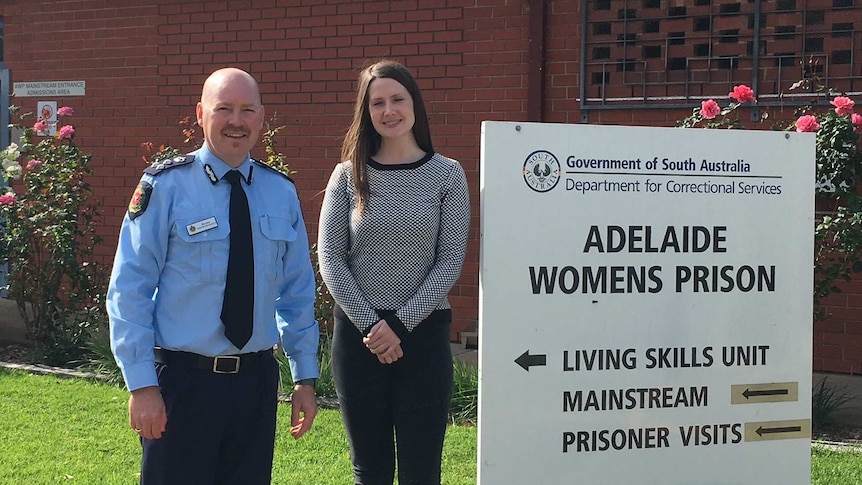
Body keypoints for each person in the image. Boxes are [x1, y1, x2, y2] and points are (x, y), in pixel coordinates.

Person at [106, 67, 319, 485]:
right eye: (224, 109)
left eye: (246, 110)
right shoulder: (165, 186)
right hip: (182, 386)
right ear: (201, 113)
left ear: (261, 118)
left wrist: (305, 377)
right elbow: (129, 287)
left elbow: (296, 292)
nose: (235, 121)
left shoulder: (281, 192)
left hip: (255, 385)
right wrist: (142, 386)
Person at [317, 60, 471, 485]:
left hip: (422, 338)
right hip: (359, 339)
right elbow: (331, 258)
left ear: (414, 104)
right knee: (370, 470)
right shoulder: (348, 176)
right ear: (366, 113)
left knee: (423, 471)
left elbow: (449, 261)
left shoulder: (447, 175)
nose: (389, 111)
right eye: (377, 103)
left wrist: (399, 325)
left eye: (397, 99)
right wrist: (374, 325)